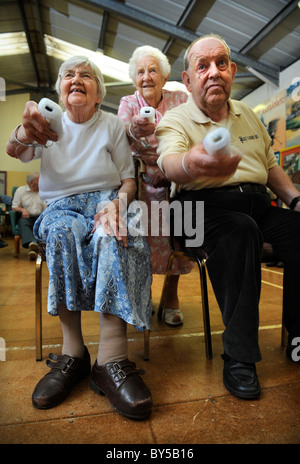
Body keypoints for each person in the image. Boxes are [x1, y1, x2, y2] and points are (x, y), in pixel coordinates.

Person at [6, 55, 153, 420]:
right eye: (68, 75)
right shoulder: (47, 123)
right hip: (61, 207)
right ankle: (73, 354)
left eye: (85, 75)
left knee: (115, 233)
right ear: (58, 90)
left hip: (107, 199)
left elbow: (128, 178)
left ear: (99, 94)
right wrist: (25, 129)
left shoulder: (112, 125)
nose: (76, 79)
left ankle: (111, 359)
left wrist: (118, 204)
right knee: (60, 234)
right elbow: (16, 150)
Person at [156, 34, 300, 400]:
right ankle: (239, 355)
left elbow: (269, 167)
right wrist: (194, 161)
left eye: (221, 63)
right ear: (187, 81)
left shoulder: (248, 114)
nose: (213, 72)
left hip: (256, 204)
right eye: (202, 66)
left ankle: (298, 334)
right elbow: (170, 163)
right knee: (241, 231)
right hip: (196, 208)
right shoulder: (175, 119)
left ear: (232, 71)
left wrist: (296, 201)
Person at [118, 45, 193, 326]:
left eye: (152, 70)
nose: (146, 76)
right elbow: (121, 132)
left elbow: (193, 131)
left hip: (177, 174)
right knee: (139, 239)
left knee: (183, 235)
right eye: (140, 71)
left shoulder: (181, 98)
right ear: (134, 78)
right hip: (140, 178)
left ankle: (171, 296)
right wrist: (133, 129)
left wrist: (172, 169)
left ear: (163, 76)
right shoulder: (128, 102)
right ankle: (144, 293)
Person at [12, 172, 46, 260]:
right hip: (26, 218)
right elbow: (14, 206)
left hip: (39, 217)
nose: (42, 183)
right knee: (22, 222)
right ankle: (34, 245)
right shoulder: (20, 191)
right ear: (31, 182)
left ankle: (33, 248)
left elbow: (45, 205)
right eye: (39, 181)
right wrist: (23, 210)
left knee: (43, 225)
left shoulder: (43, 191)